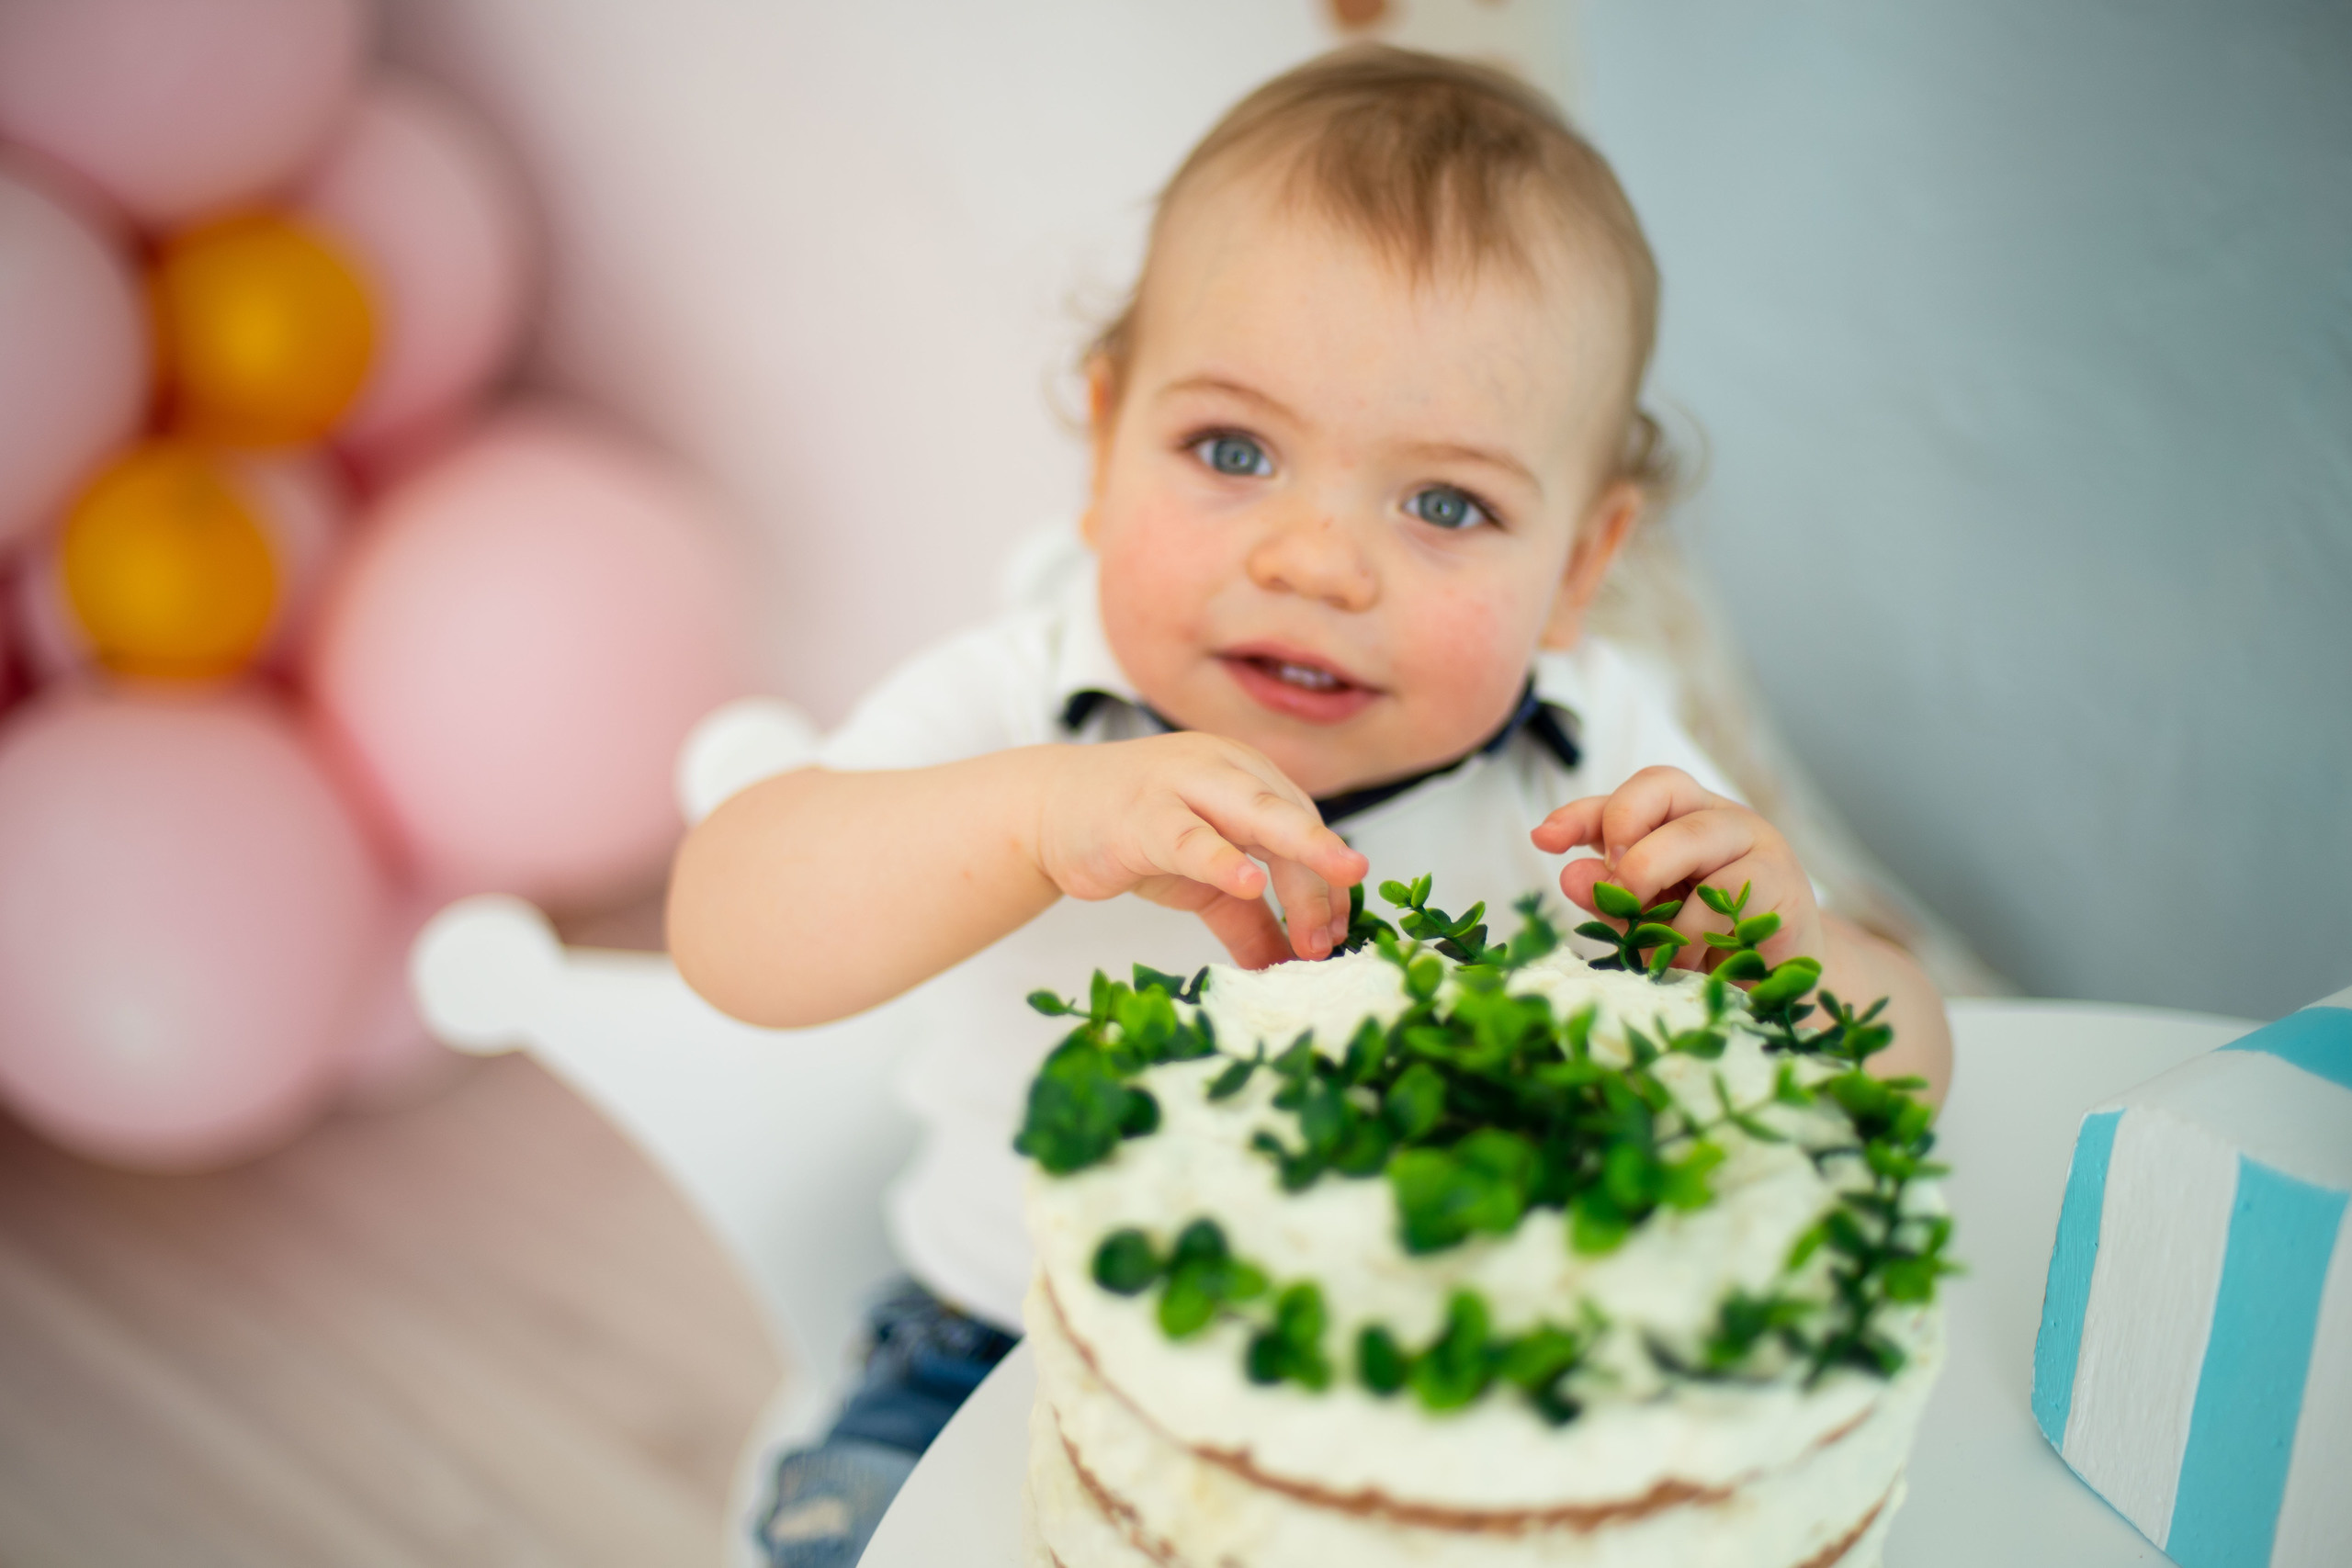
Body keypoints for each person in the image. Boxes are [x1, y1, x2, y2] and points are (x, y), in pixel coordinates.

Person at [668, 44, 1953, 1567]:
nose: (1318, 563)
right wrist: (1032, 821)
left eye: (1446, 505)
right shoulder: (1028, 707)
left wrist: (1780, 944)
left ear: (1583, 566)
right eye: (1233, 452)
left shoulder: (1592, 760)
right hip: (999, 1353)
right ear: (1101, 446)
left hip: (1442, 1400)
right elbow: (729, 928)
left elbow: (1909, 1070)